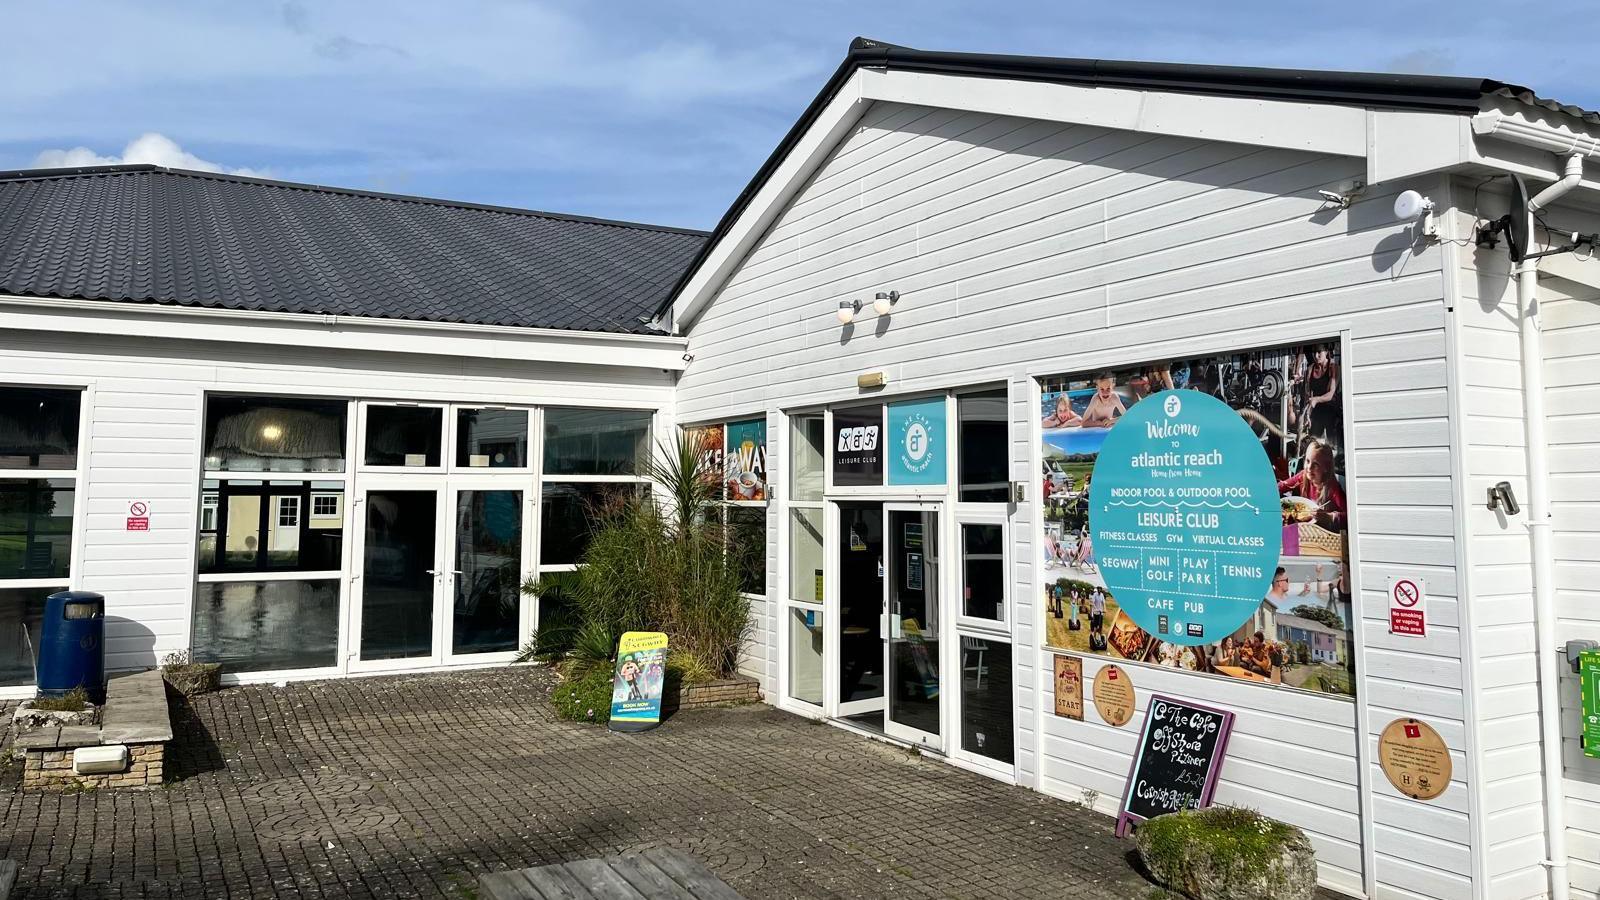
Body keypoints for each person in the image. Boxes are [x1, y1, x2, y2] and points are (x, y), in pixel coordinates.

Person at [1278, 439, 1347, 532]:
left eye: (1315, 464)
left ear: (1326, 468)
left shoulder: (1333, 488)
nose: (1309, 467)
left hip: (1323, 533)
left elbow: (1351, 516)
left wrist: (1329, 517)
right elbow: (1282, 485)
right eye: (1307, 461)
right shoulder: (1303, 476)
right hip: (1303, 528)